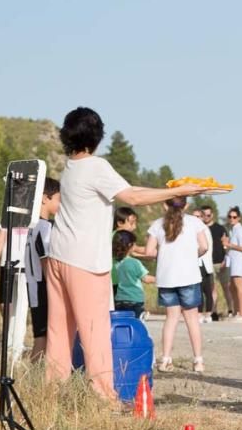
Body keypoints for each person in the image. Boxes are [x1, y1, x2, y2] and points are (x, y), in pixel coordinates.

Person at [46, 106, 201, 400]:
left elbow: (128, 190)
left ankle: (52, 394)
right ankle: (104, 398)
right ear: (97, 135)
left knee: (59, 331)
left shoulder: (71, 167)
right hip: (84, 261)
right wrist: (176, 192)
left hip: (58, 255)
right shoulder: (96, 166)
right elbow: (132, 197)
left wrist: (174, 190)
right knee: (95, 331)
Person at [144, 197, 209, 372]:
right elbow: (204, 246)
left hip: (166, 278)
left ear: (164, 204)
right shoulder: (194, 222)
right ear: (186, 205)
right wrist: (190, 254)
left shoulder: (157, 224)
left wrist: (164, 253)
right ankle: (198, 361)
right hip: (189, 276)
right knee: (192, 319)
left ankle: (165, 359)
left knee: (171, 318)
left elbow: (149, 252)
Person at [24, 177, 60, 361]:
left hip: (32, 285)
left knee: (40, 335)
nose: (60, 205)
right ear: (45, 198)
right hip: (42, 286)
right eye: (58, 200)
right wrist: (55, 288)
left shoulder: (29, 226)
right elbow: (45, 261)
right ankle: (35, 377)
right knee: (44, 337)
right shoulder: (45, 227)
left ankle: (34, 375)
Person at [112, 230, 155, 318]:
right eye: (134, 244)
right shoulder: (134, 262)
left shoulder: (114, 262)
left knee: (123, 322)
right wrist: (160, 278)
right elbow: (146, 279)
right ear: (130, 246)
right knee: (136, 323)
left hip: (119, 300)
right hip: (135, 300)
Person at [221, 210, 242, 321]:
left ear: (238, 218)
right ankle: (237, 311)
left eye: (234, 217)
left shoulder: (240, 230)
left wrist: (228, 244)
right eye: (230, 216)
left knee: (239, 286)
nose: (231, 218)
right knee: (232, 287)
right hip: (234, 262)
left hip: (240, 262)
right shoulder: (233, 230)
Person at [202, 204, 227, 321]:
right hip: (207, 263)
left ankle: (231, 310)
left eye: (208, 215)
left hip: (220, 261)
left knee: (226, 287)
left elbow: (226, 245)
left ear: (212, 215)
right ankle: (213, 311)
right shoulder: (200, 229)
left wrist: (226, 259)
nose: (206, 217)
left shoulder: (220, 228)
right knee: (212, 288)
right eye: (204, 215)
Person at [196, 208, 216, 324]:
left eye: (198, 216)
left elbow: (205, 247)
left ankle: (207, 313)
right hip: (199, 262)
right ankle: (200, 313)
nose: (196, 219)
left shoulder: (203, 229)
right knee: (199, 290)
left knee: (207, 290)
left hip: (204, 262)